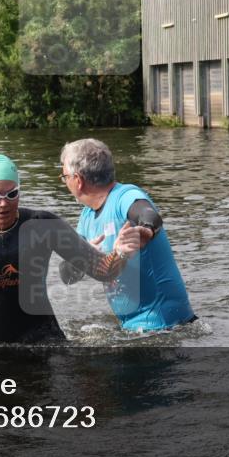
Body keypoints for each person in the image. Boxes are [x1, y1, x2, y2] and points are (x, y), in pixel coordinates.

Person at [0, 154, 144, 344]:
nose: (4, 203)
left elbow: (103, 270)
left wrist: (121, 252)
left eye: (11, 194)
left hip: (44, 341)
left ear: (19, 192)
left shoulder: (44, 224)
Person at [58, 138, 196, 332]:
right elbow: (67, 276)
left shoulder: (125, 196)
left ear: (78, 180)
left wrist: (146, 231)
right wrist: (82, 258)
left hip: (166, 325)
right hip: (133, 328)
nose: (64, 182)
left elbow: (148, 214)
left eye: (64, 176)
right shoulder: (87, 216)